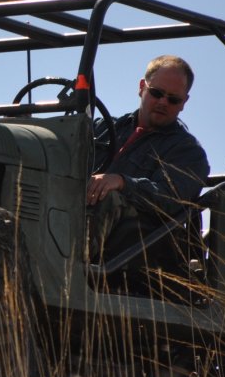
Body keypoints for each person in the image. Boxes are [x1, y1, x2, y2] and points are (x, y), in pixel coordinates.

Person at [86, 55, 210, 266]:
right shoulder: (103, 129)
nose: (163, 102)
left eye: (173, 99)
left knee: (107, 197)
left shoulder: (188, 152)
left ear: (184, 103)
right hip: (81, 219)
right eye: (157, 93)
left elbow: (168, 200)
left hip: (141, 250)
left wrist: (122, 182)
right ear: (142, 87)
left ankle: (65, 273)